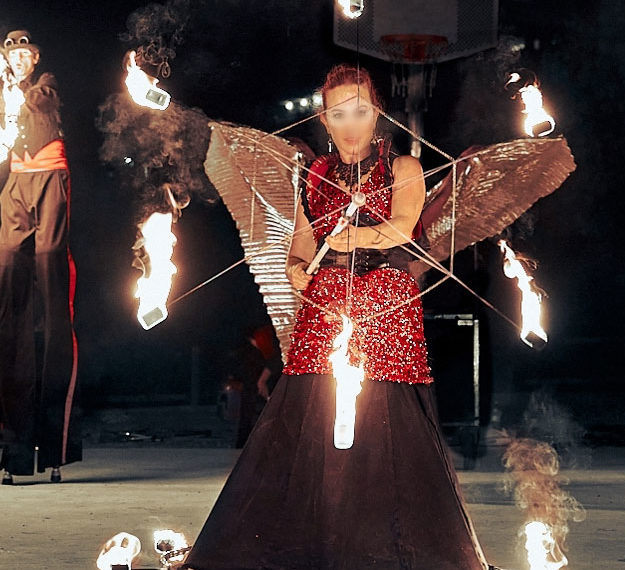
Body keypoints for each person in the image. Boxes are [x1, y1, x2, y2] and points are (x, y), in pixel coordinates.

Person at [182, 64, 489, 569]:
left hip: (384, 298)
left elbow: (403, 227)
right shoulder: (314, 173)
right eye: (339, 113)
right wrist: (297, 265)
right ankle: (313, 538)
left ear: (377, 114)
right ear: (324, 120)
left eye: (361, 111)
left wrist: (357, 237)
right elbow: (303, 236)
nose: (351, 124)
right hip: (327, 299)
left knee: (384, 417)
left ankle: (388, 545)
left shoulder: (403, 168)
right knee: (314, 411)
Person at [0, 30, 80, 485]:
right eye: (15, 55)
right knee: (7, 291)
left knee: (50, 273)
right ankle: (16, 444)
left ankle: (54, 446)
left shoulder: (43, 84)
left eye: (26, 54)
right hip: (16, 183)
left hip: (49, 177)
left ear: (35, 57)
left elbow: (34, 105)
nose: (21, 60)